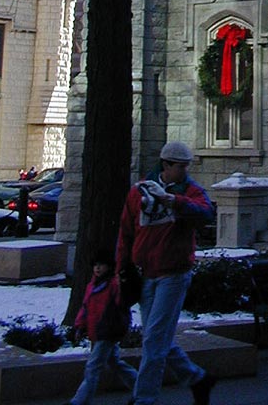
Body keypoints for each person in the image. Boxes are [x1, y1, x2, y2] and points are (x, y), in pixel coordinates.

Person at [116, 140, 216, 405]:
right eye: (180, 167)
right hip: (146, 274)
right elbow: (126, 232)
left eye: (186, 166)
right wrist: (121, 267)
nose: (184, 171)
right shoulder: (139, 191)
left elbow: (207, 212)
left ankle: (144, 398)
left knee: (154, 339)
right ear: (166, 165)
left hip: (174, 274)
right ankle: (197, 378)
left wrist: (176, 202)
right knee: (156, 337)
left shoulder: (190, 191)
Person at [69, 248, 137, 405]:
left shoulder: (114, 284)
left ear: (109, 266)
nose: (98, 268)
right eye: (95, 265)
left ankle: (79, 401)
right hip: (98, 331)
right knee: (114, 362)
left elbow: (122, 303)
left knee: (93, 366)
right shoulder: (92, 285)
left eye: (101, 265)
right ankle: (140, 387)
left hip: (108, 330)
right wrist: (80, 325)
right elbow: (85, 307)